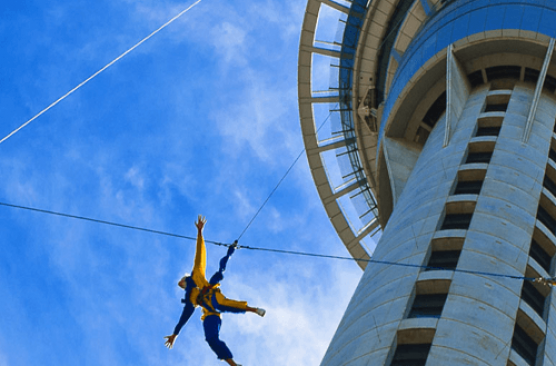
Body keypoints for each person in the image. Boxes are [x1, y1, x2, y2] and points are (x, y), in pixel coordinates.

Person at [164, 215, 265, 366]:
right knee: (211, 339)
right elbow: (185, 316)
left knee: (218, 288)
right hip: (211, 314)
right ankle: (234, 364)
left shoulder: (196, 274)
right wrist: (175, 334)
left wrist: (199, 232)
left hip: (214, 296)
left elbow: (199, 254)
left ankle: (253, 309)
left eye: (182, 283)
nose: (183, 287)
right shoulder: (191, 297)